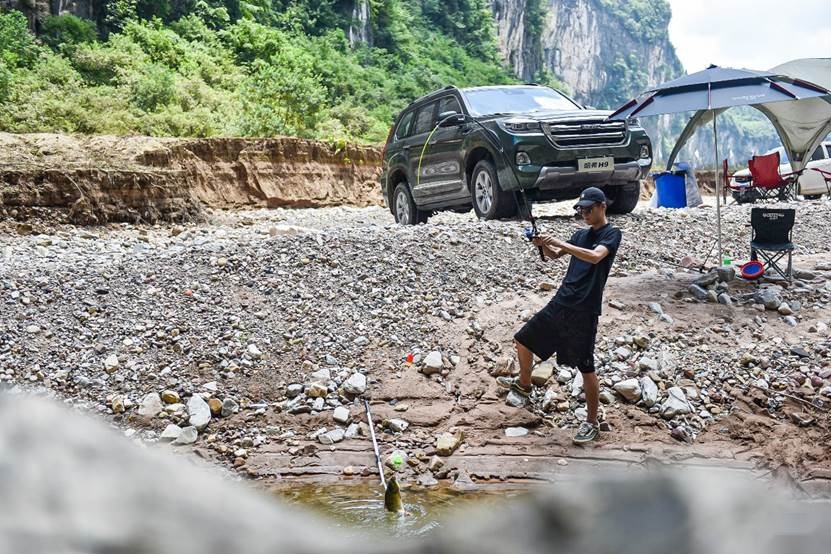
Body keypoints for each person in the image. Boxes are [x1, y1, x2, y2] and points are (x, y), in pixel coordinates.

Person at [497, 187, 622, 445]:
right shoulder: (579, 234)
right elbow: (553, 256)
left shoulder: (611, 234)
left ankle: (591, 422)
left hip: (585, 310)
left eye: (589, 209)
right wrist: (541, 245)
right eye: (581, 210)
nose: (584, 214)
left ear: (602, 206)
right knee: (523, 339)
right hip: (561, 302)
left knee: (586, 367)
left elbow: (596, 257)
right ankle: (524, 383)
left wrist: (561, 243)